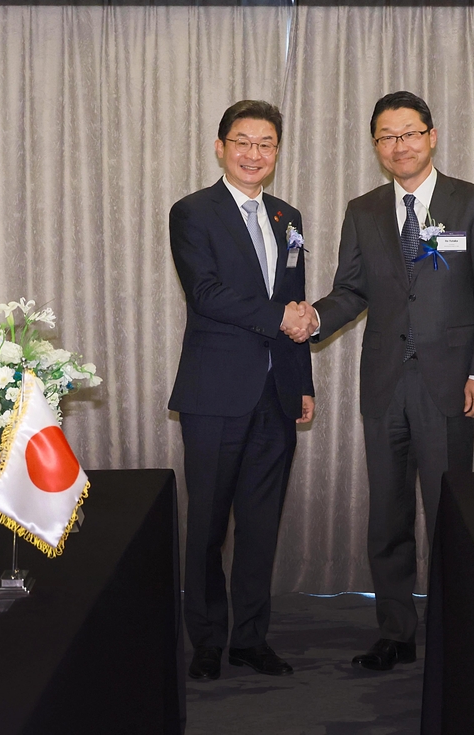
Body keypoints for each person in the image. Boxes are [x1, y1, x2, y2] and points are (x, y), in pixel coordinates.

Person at [287, 91, 474, 671]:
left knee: (449, 515)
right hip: (384, 383)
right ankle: (395, 632)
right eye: (386, 137)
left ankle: (456, 630)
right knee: (387, 515)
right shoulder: (363, 210)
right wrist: (315, 318)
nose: (399, 145)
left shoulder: (473, 203)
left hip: (450, 383)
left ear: (431, 136)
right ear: (376, 146)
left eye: (409, 133)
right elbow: (351, 290)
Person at [169, 100, 316, 680]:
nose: (254, 154)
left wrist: (302, 382)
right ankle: (206, 640)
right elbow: (205, 293)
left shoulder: (287, 216)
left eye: (266, 144)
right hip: (215, 393)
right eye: (243, 142)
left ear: (277, 151)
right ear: (220, 147)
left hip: (277, 393)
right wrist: (280, 317)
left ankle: (250, 638)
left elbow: (296, 303)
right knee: (207, 523)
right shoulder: (192, 212)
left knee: (261, 525)